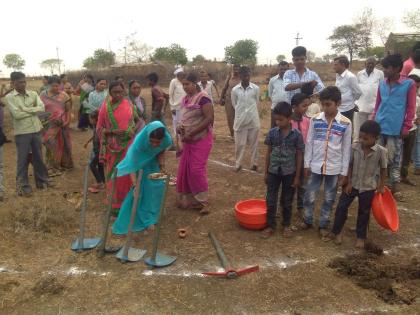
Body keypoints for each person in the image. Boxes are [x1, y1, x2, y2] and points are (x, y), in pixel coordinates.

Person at [325, 120, 387, 247]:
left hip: (368, 187)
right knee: (341, 207)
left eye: (366, 138)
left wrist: (381, 186)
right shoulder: (354, 147)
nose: (362, 140)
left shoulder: (381, 151)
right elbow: (350, 165)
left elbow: (384, 169)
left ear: (376, 138)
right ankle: (336, 232)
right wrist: (347, 182)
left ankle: (361, 237)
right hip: (352, 184)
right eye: (360, 137)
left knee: (364, 212)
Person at [301, 86, 352, 237]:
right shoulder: (315, 120)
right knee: (309, 194)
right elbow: (309, 142)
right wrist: (306, 164)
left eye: (328, 104)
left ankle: (323, 224)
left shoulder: (346, 123)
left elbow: (346, 149)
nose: (325, 107)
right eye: (323, 104)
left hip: (334, 167)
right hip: (315, 165)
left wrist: (343, 172)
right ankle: (308, 220)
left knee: (329, 198)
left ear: (338, 103)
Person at [112, 122, 172, 234]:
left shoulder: (166, 139)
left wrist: (162, 166)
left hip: (153, 162)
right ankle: (147, 220)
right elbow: (132, 165)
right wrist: (135, 184)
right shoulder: (139, 144)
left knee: (158, 186)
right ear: (147, 136)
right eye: (151, 141)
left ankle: (154, 214)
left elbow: (161, 151)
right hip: (139, 165)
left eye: (157, 142)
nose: (154, 144)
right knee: (144, 190)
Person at [372, 54, 417, 195]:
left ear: (397, 68)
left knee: (394, 158)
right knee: (376, 156)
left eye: (387, 67)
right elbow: (378, 104)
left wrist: (406, 126)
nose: (384, 70)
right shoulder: (382, 84)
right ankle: (376, 184)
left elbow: (411, 108)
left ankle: (393, 186)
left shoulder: (409, 84)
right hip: (379, 126)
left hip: (395, 129)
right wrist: (373, 121)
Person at [4, 72, 50, 196]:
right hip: (22, 132)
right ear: (12, 83)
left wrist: (25, 110)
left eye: (24, 81)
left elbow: (42, 108)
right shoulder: (9, 97)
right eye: (20, 82)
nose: (23, 84)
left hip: (36, 130)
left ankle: (42, 182)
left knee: (38, 158)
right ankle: (23, 187)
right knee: (23, 160)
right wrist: (33, 111)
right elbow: (17, 115)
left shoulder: (33, 94)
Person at [262, 102, 304, 238]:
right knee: (271, 199)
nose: (278, 122)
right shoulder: (272, 133)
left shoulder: (296, 134)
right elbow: (268, 152)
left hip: (289, 172)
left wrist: (297, 176)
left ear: (289, 117)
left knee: (287, 200)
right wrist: (266, 172)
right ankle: (270, 225)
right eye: (276, 119)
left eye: (281, 119)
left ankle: (286, 224)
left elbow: (299, 155)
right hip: (273, 171)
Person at [176, 73, 214, 214]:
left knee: (196, 170)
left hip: (201, 139)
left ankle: (204, 202)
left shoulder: (203, 98)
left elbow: (209, 118)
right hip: (188, 140)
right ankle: (192, 199)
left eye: (187, 84)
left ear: (195, 83)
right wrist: (180, 128)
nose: (185, 87)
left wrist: (191, 133)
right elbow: (184, 118)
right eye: (183, 84)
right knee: (186, 169)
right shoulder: (186, 99)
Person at [97, 81, 136, 214]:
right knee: (114, 173)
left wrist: (131, 130)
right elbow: (99, 128)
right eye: (115, 92)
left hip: (128, 145)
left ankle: (127, 201)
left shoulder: (129, 104)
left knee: (126, 173)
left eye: (120, 92)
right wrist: (112, 132)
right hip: (111, 147)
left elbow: (135, 122)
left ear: (124, 91)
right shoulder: (105, 107)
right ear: (110, 93)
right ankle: (114, 203)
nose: (118, 95)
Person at [40, 75, 73, 173]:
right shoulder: (42, 95)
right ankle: (51, 166)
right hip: (48, 124)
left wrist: (67, 121)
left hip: (61, 124)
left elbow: (68, 110)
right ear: (48, 85)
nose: (56, 88)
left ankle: (64, 164)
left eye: (58, 86)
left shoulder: (64, 95)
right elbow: (40, 109)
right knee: (50, 144)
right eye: (53, 86)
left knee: (64, 144)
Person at [231, 66, 260, 172]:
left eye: (248, 74)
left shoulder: (256, 88)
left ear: (250, 74)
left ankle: (254, 163)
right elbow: (235, 104)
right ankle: (238, 164)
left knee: (254, 144)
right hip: (240, 121)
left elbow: (256, 102)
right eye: (244, 75)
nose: (246, 77)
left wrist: (249, 112)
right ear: (240, 76)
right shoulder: (235, 90)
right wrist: (242, 113)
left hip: (253, 120)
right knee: (240, 144)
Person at [290, 93, 311, 219]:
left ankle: (300, 207)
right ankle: (285, 205)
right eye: (303, 106)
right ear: (294, 107)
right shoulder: (288, 121)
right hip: (290, 158)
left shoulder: (308, 121)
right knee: (290, 183)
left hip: (303, 158)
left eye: (307, 105)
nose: (306, 108)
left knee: (303, 184)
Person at [354, 57, 384, 141]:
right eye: (368, 63)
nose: (370, 65)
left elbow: (382, 88)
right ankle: (357, 146)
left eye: (372, 63)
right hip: (360, 106)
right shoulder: (359, 74)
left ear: (375, 64)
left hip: (374, 108)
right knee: (358, 129)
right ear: (365, 64)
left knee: (371, 130)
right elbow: (356, 89)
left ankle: (372, 147)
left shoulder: (380, 73)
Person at [333, 55, 362, 122]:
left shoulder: (350, 77)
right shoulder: (338, 75)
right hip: (338, 108)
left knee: (347, 128)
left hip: (347, 109)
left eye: (336, 65)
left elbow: (358, 92)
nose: (333, 67)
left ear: (342, 65)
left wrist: (351, 101)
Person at [84, 110, 105, 193]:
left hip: (99, 150)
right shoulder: (94, 126)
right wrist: (88, 142)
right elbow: (94, 135)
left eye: (91, 119)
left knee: (92, 165)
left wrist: (101, 150)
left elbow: (101, 139)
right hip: (97, 149)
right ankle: (102, 182)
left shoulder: (99, 127)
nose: (90, 120)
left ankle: (99, 182)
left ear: (96, 119)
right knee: (100, 166)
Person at [220, 64, 241, 138]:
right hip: (229, 100)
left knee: (240, 118)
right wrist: (221, 98)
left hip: (240, 101)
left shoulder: (243, 77)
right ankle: (233, 135)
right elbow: (224, 88)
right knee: (230, 118)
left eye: (237, 68)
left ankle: (240, 134)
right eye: (234, 68)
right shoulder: (229, 77)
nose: (236, 69)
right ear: (232, 69)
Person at [268, 61, 289, 128]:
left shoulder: (291, 81)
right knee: (274, 129)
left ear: (288, 70)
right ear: (278, 69)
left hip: (288, 110)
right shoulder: (272, 80)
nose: (283, 71)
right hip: (275, 109)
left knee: (287, 129)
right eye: (281, 69)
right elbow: (270, 94)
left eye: (285, 69)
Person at [169, 68, 186, 147]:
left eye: (183, 74)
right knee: (176, 125)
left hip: (185, 107)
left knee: (183, 124)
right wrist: (172, 108)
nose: (182, 75)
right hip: (176, 107)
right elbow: (170, 95)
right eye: (181, 74)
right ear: (177, 75)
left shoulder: (184, 81)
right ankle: (177, 143)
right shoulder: (173, 82)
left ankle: (183, 140)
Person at [409, 68, 420, 176]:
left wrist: (418, 119)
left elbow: (418, 112)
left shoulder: (417, 99)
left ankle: (417, 166)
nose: (416, 89)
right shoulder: (402, 97)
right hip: (402, 127)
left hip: (414, 127)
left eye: (417, 87)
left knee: (417, 144)